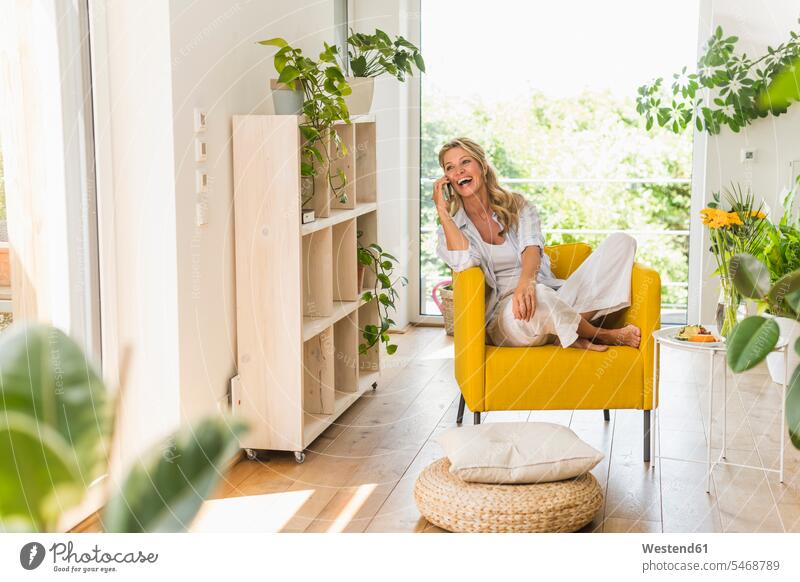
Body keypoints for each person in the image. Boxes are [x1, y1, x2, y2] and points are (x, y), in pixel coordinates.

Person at [434, 137, 641, 351]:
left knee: (622, 242)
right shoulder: (450, 228)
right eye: (450, 167)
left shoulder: (518, 205)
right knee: (542, 298)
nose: (458, 171)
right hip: (508, 318)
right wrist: (443, 212)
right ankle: (600, 334)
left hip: (547, 294)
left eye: (465, 162)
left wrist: (527, 283)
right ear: (447, 180)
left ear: (483, 166)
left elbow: (531, 247)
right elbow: (463, 262)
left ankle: (562, 328)